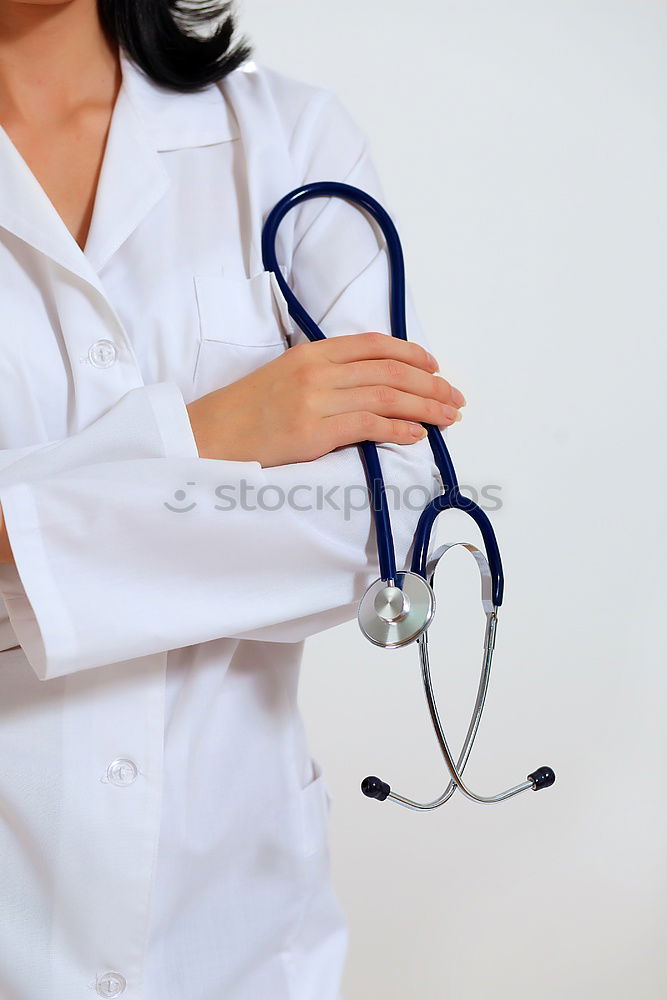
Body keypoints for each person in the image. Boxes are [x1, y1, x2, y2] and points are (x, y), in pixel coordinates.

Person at [0, 1, 465, 998]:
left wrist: (19, 544)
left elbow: (391, 510)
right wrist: (201, 435)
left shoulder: (287, 142)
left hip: (239, 936)